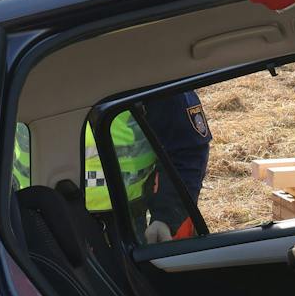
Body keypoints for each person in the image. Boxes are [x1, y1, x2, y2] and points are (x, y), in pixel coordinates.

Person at [83, 90, 211, 243]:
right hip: (54, 214)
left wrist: (166, 217)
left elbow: (186, 149)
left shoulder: (147, 73)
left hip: (124, 221)